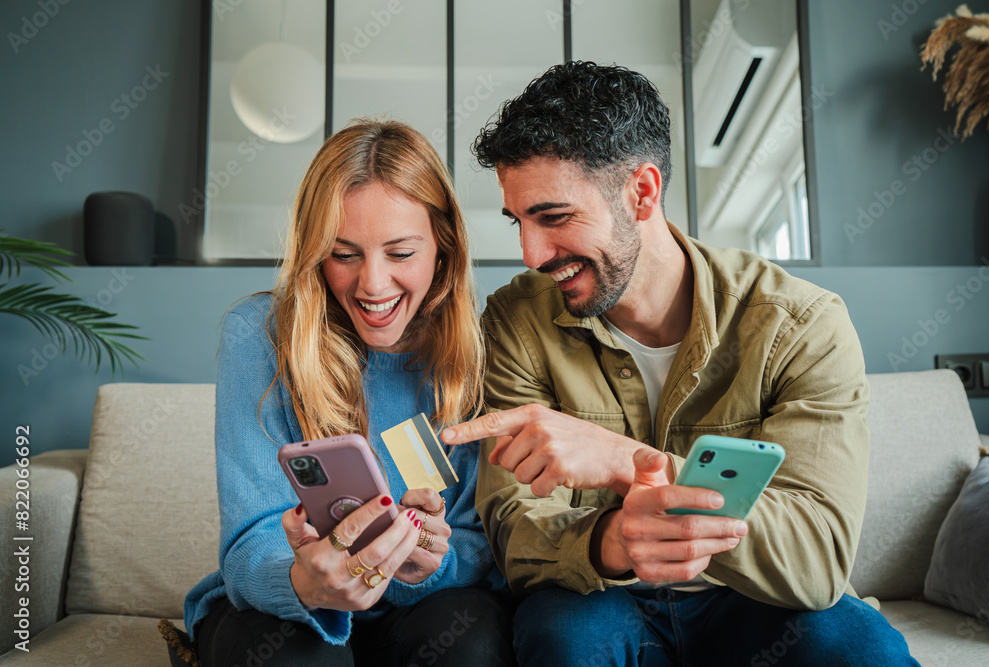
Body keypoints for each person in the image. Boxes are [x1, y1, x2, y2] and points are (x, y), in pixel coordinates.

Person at [441, 61, 917, 665]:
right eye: (520, 222)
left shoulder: (801, 325)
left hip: (749, 599)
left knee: (860, 647)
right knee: (565, 638)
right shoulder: (517, 320)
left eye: (555, 217)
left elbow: (817, 558)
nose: (532, 253)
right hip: (604, 592)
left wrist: (626, 465)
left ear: (642, 192)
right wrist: (614, 541)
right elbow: (513, 525)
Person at [183, 119, 512, 667]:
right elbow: (249, 539)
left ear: (444, 249)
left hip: (422, 609)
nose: (373, 285)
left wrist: (432, 564)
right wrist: (302, 580)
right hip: (290, 611)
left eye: (401, 253)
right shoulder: (257, 334)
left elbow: (483, 539)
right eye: (344, 253)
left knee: (472, 641)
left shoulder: (481, 352)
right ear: (314, 252)